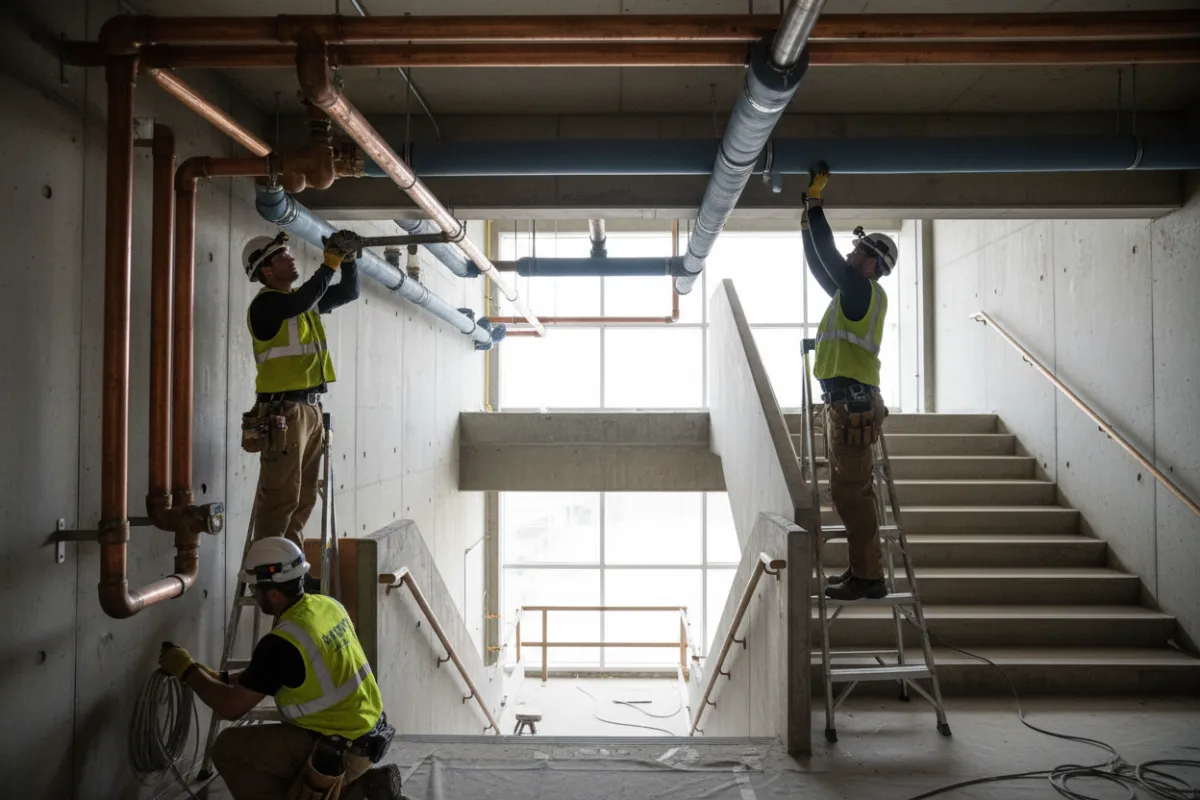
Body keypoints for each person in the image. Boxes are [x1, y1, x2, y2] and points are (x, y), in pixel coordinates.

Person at [158, 537, 402, 800]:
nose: (254, 595)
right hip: (365, 734)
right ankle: (362, 788)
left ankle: (351, 791)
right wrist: (225, 678)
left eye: (255, 590)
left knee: (227, 748)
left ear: (273, 594)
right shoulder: (327, 606)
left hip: (337, 751)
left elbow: (230, 708)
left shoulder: (282, 644)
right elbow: (285, 673)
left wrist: (186, 669)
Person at [801, 163, 899, 602]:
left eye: (859, 251)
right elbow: (820, 262)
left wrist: (817, 204)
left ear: (873, 263)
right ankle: (864, 571)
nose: (851, 255)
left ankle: (869, 577)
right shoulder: (850, 294)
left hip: (852, 405)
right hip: (847, 404)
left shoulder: (861, 291)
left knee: (851, 496)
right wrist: (807, 219)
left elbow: (828, 255)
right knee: (850, 493)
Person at [242, 230, 361, 550]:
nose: (291, 258)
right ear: (266, 271)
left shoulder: (300, 305)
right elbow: (301, 300)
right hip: (283, 410)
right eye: (282, 256)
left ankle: (287, 567)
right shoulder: (266, 305)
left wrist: (348, 262)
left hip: (309, 409)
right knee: (281, 496)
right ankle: (266, 573)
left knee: (304, 497)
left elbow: (348, 292)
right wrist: (329, 263)